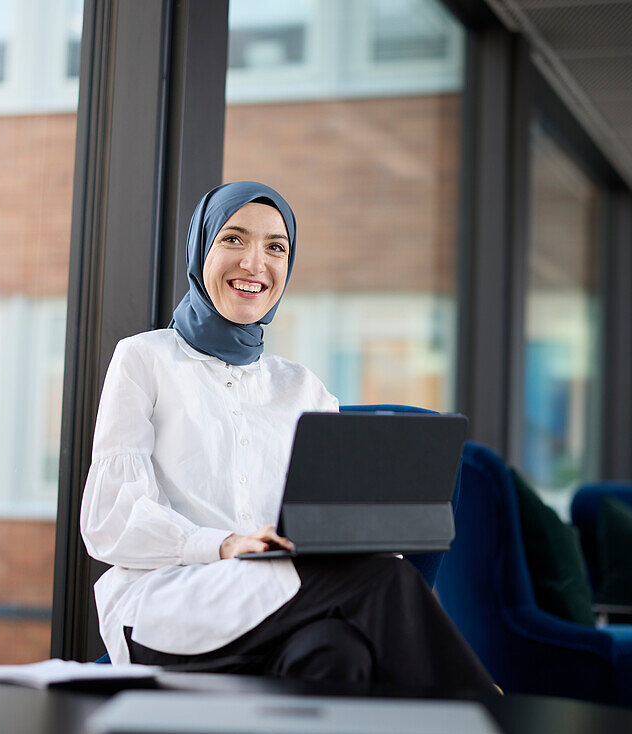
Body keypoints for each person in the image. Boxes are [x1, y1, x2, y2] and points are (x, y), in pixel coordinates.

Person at [80, 181, 492, 692]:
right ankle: (486, 706)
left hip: (286, 600)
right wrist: (225, 544)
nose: (255, 263)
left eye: (276, 247)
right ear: (200, 248)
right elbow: (109, 522)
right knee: (385, 582)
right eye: (233, 239)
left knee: (337, 656)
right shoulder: (144, 359)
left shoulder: (303, 388)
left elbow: (335, 518)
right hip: (169, 604)